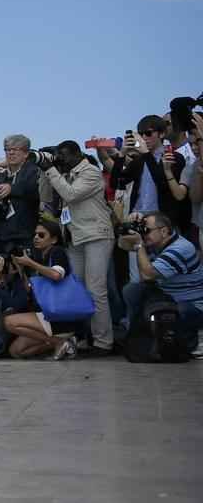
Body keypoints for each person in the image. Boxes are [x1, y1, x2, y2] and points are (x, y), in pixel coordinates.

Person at [38, 140, 114, 355]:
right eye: (57, 156)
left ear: (77, 154)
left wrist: (51, 169)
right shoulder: (64, 174)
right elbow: (46, 199)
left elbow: (70, 194)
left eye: (63, 155)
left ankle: (103, 342)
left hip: (96, 235)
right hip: (75, 237)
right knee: (78, 292)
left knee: (96, 290)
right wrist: (46, 171)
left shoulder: (90, 172)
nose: (60, 159)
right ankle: (83, 337)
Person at [118, 211, 203, 340]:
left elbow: (148, 275)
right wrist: (131, 227)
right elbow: (122, 244)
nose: (144, 234)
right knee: (131, 290)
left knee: (176, 312)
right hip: (167, 297)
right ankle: (135, 335)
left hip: (191, 305)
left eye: (147, 230)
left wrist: (139, 244)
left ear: (163, 231)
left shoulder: (180, 248)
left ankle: (189, 339)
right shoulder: (156, 242)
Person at [2, 219, 78, 360]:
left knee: (9, 322)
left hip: (59, 316)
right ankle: (68, 343)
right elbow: (31, 291)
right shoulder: (42, 258)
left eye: (42, 235)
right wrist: (21, 270)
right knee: (16, 351)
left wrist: (30, 263)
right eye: (35, 234)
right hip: (47, 316)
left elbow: (56, 275)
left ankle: (59, 342)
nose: (36, 237)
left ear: (54, 239)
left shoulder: (57, 252)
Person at [116, 115, 191, 234]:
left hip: (163, 222)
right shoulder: (139, 161)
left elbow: (162, 184)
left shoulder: (174, 156)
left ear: (161, 134)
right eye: (141, 134)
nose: (144, 138)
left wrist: (146, 153)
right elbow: (115, 182)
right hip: (138, 218)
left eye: (148, 133)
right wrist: (121, 155)